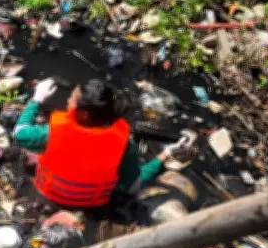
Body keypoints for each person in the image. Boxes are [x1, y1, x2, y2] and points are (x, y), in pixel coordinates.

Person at [12, 78, 191, 209]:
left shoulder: (52, 134)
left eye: (72, 99)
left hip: (50, 193)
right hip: (92, 204)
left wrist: (36, 100)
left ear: (83, 114)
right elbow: (134, 185)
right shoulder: (123, 144)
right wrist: (165, 154)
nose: (67, 101)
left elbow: (19, 134)